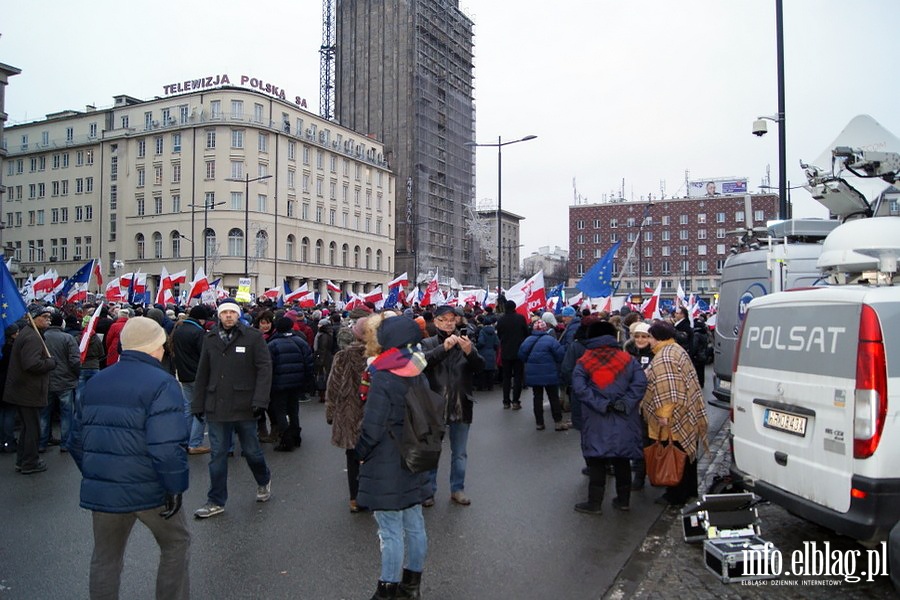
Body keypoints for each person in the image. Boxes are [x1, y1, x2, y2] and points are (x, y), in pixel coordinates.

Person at [69, 317, 190, 600]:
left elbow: (74, 439)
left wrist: (96, 472)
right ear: (154, 347)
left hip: (106, 487)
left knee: (105, 558)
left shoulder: (98, 380)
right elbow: (166, 446)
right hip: (150, 486)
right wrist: (175, 486)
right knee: (176, 543)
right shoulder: (163, 383)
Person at [355, 316, 430, 600]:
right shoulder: (418, 369)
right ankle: (411, 586)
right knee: (414, 523)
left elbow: (372, 427)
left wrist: (360, 454)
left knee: (390, 530)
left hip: (386, 459)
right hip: (413, 455)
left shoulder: (384, 376)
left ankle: (387, 589)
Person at [192, 300, 273, 519]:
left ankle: (263, 479)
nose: (228, 316)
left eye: (232, 312)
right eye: (224, 312)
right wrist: (197, 404)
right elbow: (203, 373)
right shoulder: (209, 338)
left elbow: (264, 370)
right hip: (216, 405)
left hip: (245, 405)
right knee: (217, 454)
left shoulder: (253, 337)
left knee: (252, 451)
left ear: (238, 315)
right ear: (219, 316)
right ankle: (215, 500)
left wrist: (260, 401)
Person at [571, 321, 647, 515]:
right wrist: (626, 403)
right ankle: (623, 501)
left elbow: (580, 388)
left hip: (596, 417)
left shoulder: (584, 361)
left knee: (596, 459)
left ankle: (594, 503)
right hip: (624, 417)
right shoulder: (628, 359)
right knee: (622, 460)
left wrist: (600, 404)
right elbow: (640, 383)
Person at [421, 305, 485, 506]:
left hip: (460, 403)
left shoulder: (466, 341)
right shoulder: (427, 342)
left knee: (459, 452)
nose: (448, 323)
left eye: (452, 319)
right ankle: (428, 491)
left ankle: (457, 489)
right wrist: (443, 348)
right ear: (436, 321)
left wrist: (470, 352)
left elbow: (481, 368)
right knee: (432, 450)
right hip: (434, 404)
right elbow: (421, 363)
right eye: (444, 319)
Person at [641, 321, 708, 507]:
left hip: (674, 416)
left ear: (658, 338)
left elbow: (668, 390)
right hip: (687, 412)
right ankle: (689, 490)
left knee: (675, 454)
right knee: (687, 454)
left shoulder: (665, 356)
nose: (649, 341)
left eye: (650, 337)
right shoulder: (675, 349)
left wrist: (664, 415)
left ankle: (676, 495)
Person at [325, 316, 371, 512]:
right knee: (374, 455)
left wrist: (331, 412)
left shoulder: (343, 356)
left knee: (352, 456)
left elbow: (333, 387)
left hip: (348, 412)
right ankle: (372, 494)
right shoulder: (382, 356)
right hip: (374, 412)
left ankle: (355, 498)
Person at [4, 306, 57, 474]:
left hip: (23, 390)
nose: (49, 319)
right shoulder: (32, 337)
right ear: (33, 318)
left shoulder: (29, 334)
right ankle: (30, 462)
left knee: (28, 428)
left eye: (49, 316)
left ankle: (22, 460)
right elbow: (32, 364)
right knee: (32, 429)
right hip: (28, 391)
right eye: (45, 316)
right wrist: (51, 363)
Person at [267, 316, 314, 452]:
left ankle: (286, 440)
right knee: (294, 410)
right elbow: (308, 362)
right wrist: (307, 381)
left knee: (280, 411)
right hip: (297, 382)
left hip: (279, 384)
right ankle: (296, 436)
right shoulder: (300, 341)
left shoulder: (272, 344)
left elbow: (268, 366)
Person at [171, 305, 212, 455]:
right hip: (197, 375)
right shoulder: (198, 332)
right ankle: (195, 443)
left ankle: (186, 440)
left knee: (188, 409)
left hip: (183, 374)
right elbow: (205, 355)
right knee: (200, 410)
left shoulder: (179, 330)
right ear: (201, 319)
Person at [518, 320, 568, 431]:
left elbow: (521, 355)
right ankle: (558, 422)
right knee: (553, 397)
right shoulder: (551, 340)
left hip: (534, 373)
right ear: (545, 328)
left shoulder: (527, 340)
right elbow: (560, 355)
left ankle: (539, 423)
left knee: (537, 397)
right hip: (550, 372)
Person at [42, 310, 81, 451]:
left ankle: (42, 442)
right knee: (66, 414)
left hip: (47, 380)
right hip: (65, 381)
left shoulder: (42, 337)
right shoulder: (67, 338)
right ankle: (66, 443)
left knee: (44, 413)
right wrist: (76, 375)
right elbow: (75, 361)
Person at [495, 300, 528, 410]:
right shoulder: (520, 318)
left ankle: (506, 401)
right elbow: (526, 333)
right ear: (515, 307)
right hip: (519, 351)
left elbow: (499, 335)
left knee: (506, 377)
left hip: (505, 351)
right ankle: (515, 401)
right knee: (518, 377)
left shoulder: (501, 320)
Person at [0, 325, 20, 453]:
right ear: (12, 334)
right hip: (8, 384)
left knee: (2, 414)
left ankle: (2, 441)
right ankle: (8, 441)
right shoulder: (12, 349)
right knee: (9, 414)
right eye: (17, 332)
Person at [474, 316, 499, 391]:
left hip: (483, 352)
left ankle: (481, 386)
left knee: (482, 370)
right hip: (491, 352)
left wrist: (476, 346)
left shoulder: (482, 331)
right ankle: (490, 386)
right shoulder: (494, 331)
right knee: (490, 371)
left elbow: (481, 342)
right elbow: (497, 343)